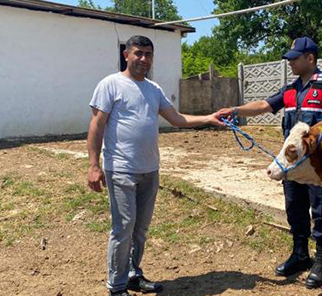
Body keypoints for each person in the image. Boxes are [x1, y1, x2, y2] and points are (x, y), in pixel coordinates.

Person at [218, 36, 322, 289]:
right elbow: (264, 106)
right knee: (294, 207)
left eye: (294, 59)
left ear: (310, 58)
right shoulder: (289, 90)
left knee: (321, 211)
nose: (290, 63)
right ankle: (300, 254)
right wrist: (234, 110)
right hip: (292, 164)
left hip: (319, 168)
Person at [86, 35, 224, 296]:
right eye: (138, 53)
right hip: (121, 169)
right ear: (126, 55)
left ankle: (132, 275)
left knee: (140, 229)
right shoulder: (110, 84)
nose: (143, 59)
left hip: (150, 170)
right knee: (123, 228)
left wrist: (209, 117)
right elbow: (96, 125)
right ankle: (115, 288)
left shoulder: (153, 89)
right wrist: (94, 165)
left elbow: (177, 119)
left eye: (148, 54)